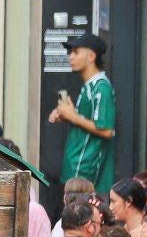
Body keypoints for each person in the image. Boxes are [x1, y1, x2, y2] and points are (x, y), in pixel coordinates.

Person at [50, 31, 116, 191]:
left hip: (87, 170)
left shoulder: (101, 88)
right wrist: (66, 115)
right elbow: (85, 121)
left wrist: (72, 116)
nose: (70, 57)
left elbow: (106, 130)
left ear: (91, 56)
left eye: (76, 52)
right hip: (77, 165)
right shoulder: (89, 86)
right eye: (70, 52)